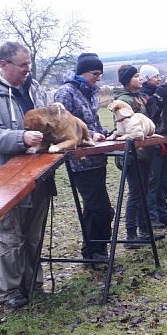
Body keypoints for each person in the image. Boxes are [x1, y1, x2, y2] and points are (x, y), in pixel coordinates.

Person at [0, 41, 54, 308]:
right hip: (6, 180)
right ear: (4, 64)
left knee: (34, 234)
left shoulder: (36, 90)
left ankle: (34, 284)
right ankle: (8, 292)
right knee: (10, 236)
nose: (27, 70)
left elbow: (54, 121)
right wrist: (20, 137)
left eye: (29, 64)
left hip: (40, 175)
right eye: (22, 66)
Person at [54, 52, 114, 264]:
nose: (98, 77)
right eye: (95, 73)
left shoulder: (90, 92)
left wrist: (108, 132)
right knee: (103, 210)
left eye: (100, 73)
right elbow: (61, 127)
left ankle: (93, 251)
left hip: (97, 157)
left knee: (92, 207)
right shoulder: (65, 93)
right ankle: (97, 250)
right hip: (80, 160)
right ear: (82, 72)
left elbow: (94, 122)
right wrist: (87, 135)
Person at [113, 65, 152, 248]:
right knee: (135, 193)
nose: (140, 79)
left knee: (144, 191)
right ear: (128, 81)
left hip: (143, 153)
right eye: (136, 76)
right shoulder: (123, 102)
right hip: (130, 154)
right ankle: (131, 234)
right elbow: (128, 128)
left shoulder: (141, 97)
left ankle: (145, 230)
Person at [137, 65, 167, 227]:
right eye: (155, 76)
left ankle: (163, 213)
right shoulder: (144, 98)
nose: (159, 79)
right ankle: (152, 218)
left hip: (164, 143)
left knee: (164, 180)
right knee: (153, 182)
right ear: (146, 79)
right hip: (152, 147)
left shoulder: (162, 95)